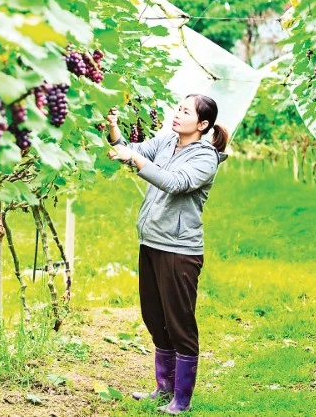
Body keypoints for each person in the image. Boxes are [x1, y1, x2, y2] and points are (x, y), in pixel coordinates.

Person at [104, 94, 229, 415]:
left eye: (186, 112)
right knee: (155, 319)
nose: (177, 114)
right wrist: (114, 128)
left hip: (179, 250)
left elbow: (175, 183)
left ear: (202, 124)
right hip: (151, 243)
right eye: (179, 108)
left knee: (179, 323)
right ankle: (163, 390)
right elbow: (133, 150)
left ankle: (182, 400)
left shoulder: (205, 158)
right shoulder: (166, 141)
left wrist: (135, 159)